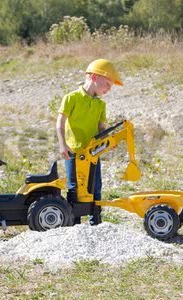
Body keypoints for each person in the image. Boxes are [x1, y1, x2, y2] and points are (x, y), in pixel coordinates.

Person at [56, 59, 123, 225]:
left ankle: (95, 222)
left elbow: (101, 129)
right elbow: (60, 122)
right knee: (74, 187)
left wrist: (109, 141)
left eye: (111, 86)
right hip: (73, 152)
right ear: (94, 77)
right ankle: (74, 223)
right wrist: (62, 144)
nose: (109, 89)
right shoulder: (71, 98)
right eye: (107, 84)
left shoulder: (100, 105)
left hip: (93, 153)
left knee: (95, 186)